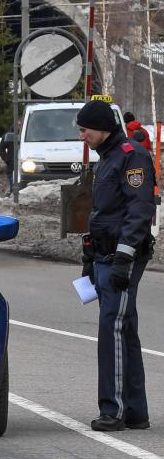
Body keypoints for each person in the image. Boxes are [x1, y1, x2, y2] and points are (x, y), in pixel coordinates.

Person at [78, 100, 156, 432]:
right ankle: (136, 411)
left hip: (122, 257)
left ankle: (114, 410)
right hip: (105, 256)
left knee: (112, 328)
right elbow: (104, 215)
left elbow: (139, 210)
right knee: (125, 329)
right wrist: (89, 256)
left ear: (102, 128)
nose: (82, 136)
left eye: (85, 130)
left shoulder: (130, 156)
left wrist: (124, 256)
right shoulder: (109, 158)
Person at [0, 120, 21, 196]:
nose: (19, 127)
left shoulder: (28, 135)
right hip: (12, 165)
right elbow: (1, 148)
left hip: (27, 165)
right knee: (13, 188)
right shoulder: (8, 136)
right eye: (18, 125)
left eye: (20, 125)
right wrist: (6, 158)